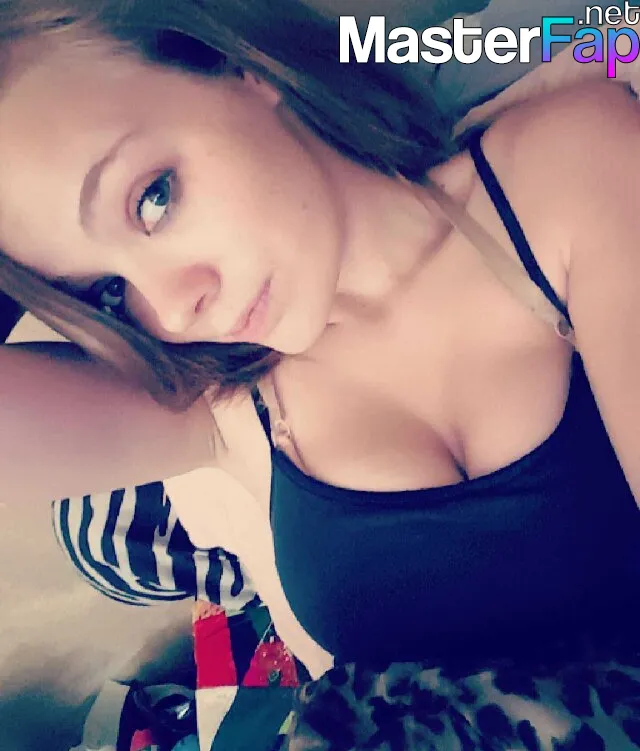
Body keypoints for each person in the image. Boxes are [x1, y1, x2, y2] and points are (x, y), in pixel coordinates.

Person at [2, 0, 640, 747]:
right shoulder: (227, 407)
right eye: (109, 290)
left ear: (236, 62)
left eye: (154, 199)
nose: (171, 310)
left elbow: (604, 27)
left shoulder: (562, 171)